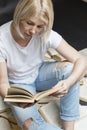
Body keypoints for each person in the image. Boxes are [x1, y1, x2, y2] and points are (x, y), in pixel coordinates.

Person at [0, 0, 86, 130]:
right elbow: (3, 84)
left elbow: (81, 59)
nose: (34, 31)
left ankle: (69, 128)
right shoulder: (1, 39)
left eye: (40, 26)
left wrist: (68, 82)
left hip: (39, 72)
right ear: (19, 15)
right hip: (18, 83)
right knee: (30, 125)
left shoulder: (46, 34)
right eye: (29, 23)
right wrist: (15, 100)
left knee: (70, 70)